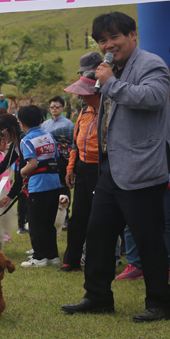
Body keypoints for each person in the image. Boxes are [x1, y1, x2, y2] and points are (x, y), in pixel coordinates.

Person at [62, 12, 170, 323]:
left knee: (147, 237)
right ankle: (97, 295)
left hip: (142, 167)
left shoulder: (151, 64)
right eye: (102, 40)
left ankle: (160, 302)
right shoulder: (110, 69)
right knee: (98, 233)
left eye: (115, 37)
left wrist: (111, 83)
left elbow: (154, 98)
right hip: (111, 167)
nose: (109, 44)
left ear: (133, 35)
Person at [61, 65, 99, 273]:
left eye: (85, 94)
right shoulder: (84, 112)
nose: (81, 98)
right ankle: (71, 260)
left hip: (102, 169)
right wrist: (70, 168)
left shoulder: (109, 111)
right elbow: (75, 142)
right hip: (82, 168)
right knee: (78, 217)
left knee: (99, 218)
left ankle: (96, 259)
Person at [16, 105, 64, 268]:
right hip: (54, 183)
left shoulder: (26, 140)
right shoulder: (49, 136)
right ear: (41, 120)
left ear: (21, 123)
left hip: (39, 186)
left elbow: (33, 163)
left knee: (35, 223)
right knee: (49, 221)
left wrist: (22, 172)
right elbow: (55, 157)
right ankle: (53, 256)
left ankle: (39, 257)